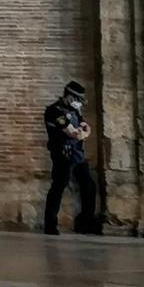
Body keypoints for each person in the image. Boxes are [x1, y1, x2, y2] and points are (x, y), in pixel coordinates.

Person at [43, 79, 102, 234]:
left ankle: (86, 222)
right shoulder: (54, 111)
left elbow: (85, 127)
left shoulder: (74, 111)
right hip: (63, 155)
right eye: (78, 100)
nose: (79, 104)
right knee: (58, 187)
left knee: (88, 186)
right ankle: (50, 224)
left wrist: (83, 133)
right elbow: (72, 132)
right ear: (69, 97)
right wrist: (81, 133)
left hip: (77, 155)